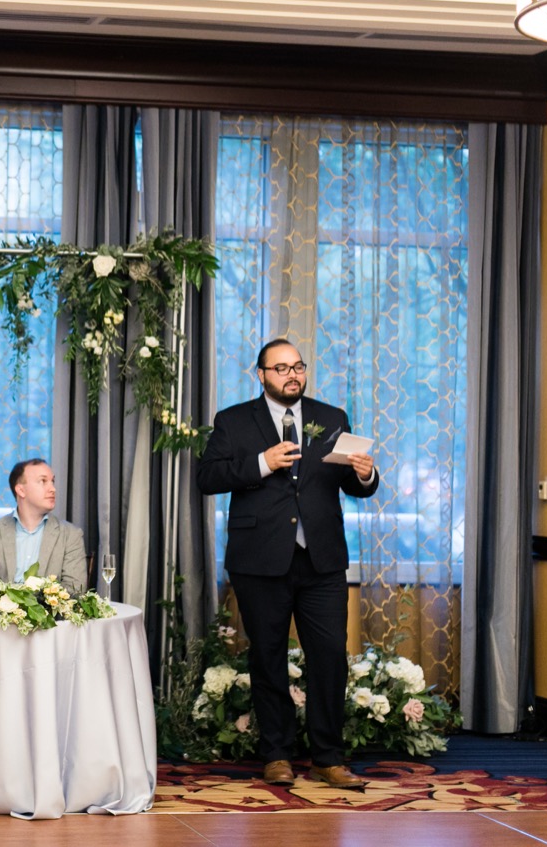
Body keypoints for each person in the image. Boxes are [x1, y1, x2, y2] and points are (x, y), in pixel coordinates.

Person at [196, 338, 378, 791]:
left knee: (330, 658)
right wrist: (262, 462)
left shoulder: (331, 418)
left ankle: (328, 758)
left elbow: (353, 484)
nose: (292, 375)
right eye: (281, 368)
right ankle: (277, 754)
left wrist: (365, 475)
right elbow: (208, 477)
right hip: (260, 560)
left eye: (298, 366)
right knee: (268, 657)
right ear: (261, 375)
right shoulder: (234, 420)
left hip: (322, 561)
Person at [0, 458, 87, 594]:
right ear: (21, 490)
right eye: (43, 481)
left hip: (47, 608)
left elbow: (75, 589)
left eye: (52, 481)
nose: (53, 489)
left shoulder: (71, 535)